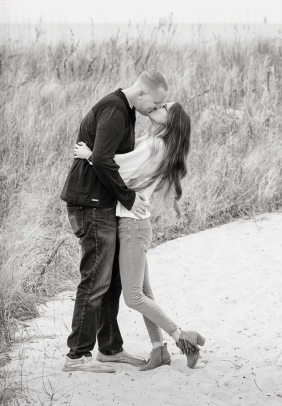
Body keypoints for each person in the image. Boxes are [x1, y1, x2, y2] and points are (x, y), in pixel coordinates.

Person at [73, 101, 206, 371]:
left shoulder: (157, 145)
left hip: (132, 225)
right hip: (135, 223)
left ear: (170, 120)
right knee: (145, 292)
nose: (158, 106)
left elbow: (120, 167)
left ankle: (182, 336)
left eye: (164, 107)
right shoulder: (156, 141)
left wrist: (90, 155)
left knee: (133, 296)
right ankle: (159, 351)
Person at [60, 70, 168, 373]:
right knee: (95, 280)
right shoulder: (115, 110)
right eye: (156, 103)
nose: (156, 109)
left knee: (111, 283)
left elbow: (109, 158)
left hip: (103, 203)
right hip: (90, 203)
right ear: (143, 93)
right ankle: (77, 356)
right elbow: (104, 160)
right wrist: (130, 198)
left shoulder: (127, 111)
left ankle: (109, 350)